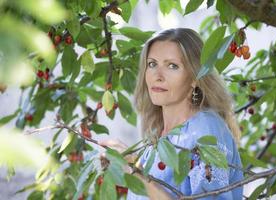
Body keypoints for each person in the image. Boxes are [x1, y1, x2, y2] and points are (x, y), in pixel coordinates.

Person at [99, 28, 244, 200]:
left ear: (195, 77)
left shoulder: (206, 129)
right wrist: (130, 164)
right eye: (152, 64)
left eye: (172, 66)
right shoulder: (155, 139)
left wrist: (135, 171)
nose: (157, 76)